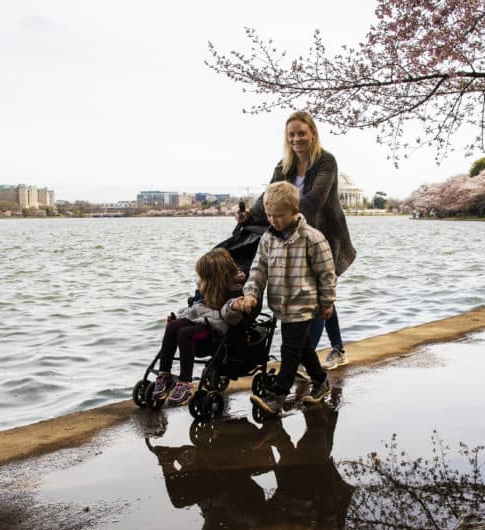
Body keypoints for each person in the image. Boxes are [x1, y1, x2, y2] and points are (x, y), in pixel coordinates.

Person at [236, 110, 355, 370]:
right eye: (292, 134)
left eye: (302, 133)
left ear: (312, 133)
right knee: (321, 298)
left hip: (325, 235)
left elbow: (314, 200)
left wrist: (283, 209)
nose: (297, 138)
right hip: (295, 235)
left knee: (322, 296)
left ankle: (304, 358)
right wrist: (250, 215)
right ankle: (338, 349)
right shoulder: (284, 166)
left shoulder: (326, 162)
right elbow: (269, 196)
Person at [234, 181, 336, 415]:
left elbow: (326, 273)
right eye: (269, 215)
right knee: (302, 348)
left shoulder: (312, 238)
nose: (273, 220)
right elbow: (258, 270)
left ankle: (277, 397)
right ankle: (321, 380)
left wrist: (327, 301)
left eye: (278, 216)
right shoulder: (268, 239)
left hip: (303, 303)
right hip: (281, 303)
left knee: (289, 350)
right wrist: (250, 294)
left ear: (294, 211)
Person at [152, 248, 244, 407]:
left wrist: (234, 306)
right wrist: (179, 317)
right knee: (173, 326)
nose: (200, 280)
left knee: (184, 333)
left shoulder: (233, 291)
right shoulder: (204, 288)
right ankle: (164, 374)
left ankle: (185, 382)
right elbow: (195, 309)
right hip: (200, 319)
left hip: (215, 328)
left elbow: (230, 317)